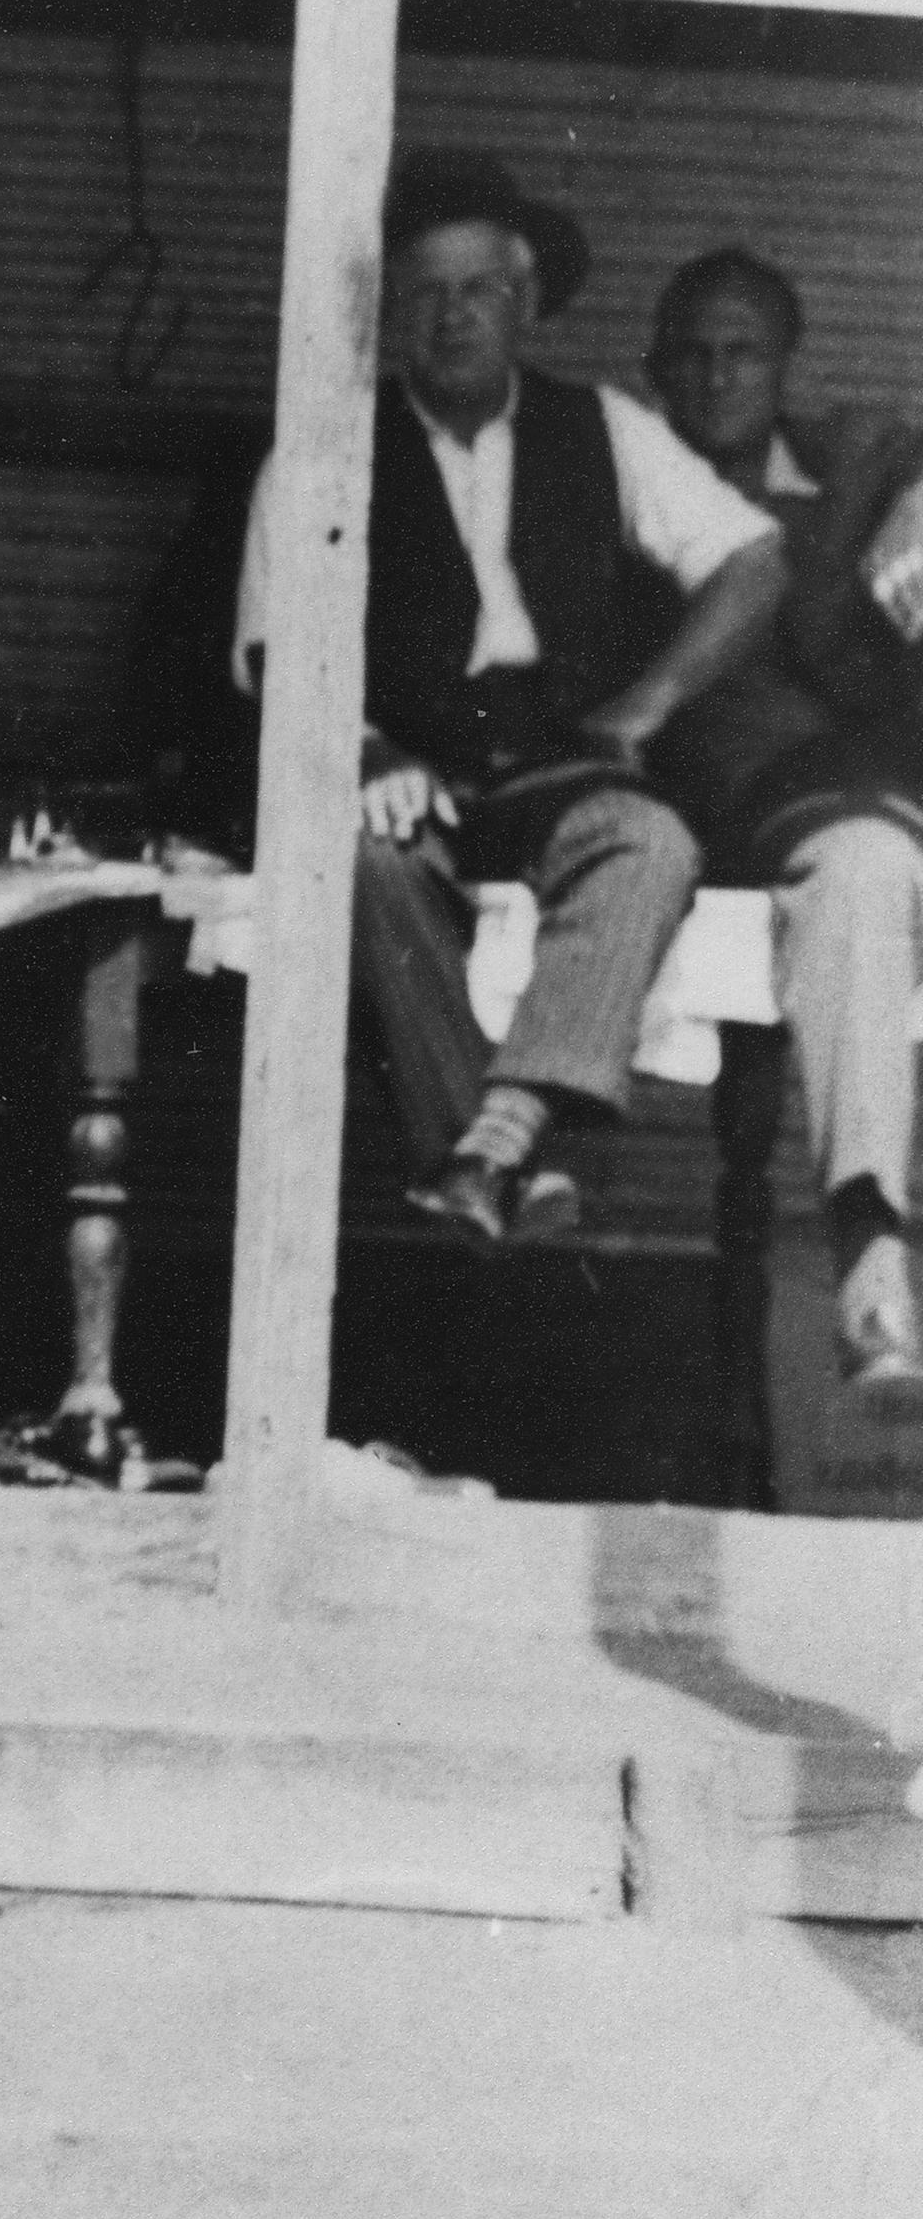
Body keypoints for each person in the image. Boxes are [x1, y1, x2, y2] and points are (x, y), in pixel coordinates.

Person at [232, 158, 776, 1249]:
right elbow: (266, 650)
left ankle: (490, 1147)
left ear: (524, 302)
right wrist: (363, 746)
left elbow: (751, 558)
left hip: (555, 759)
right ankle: (505, 1162)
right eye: (425, 292)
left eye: (477, 288)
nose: (452, 316)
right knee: (358, 864)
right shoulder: (322, 451)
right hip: (408, 767)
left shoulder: (604, 427)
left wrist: (644, 704)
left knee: (649, 842)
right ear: (388, 307)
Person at [663, 246, 923, 1393]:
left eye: (744, 353)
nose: (718, 377)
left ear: (784, 367)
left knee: (867, 872)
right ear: (653, 368)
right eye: (694, 354)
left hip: (832, 793)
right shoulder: (618, 466)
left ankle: (869, 1248)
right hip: (691, 797)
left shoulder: (852, 467)